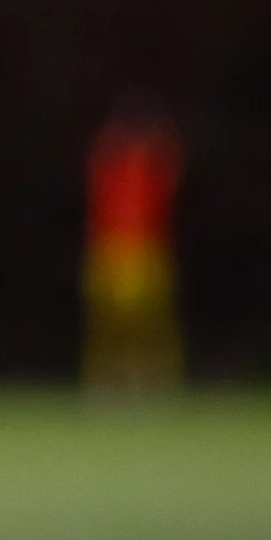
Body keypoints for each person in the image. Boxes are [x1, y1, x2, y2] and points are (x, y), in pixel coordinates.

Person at [82, 93, 185, 393]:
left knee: (152, 325)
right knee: (107, 325)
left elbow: (171, 171)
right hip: (109, 248)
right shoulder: (109, 161)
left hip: (148, 248)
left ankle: (156, 383)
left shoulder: (153, 163)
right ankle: (108, 383)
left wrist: (154, 141)